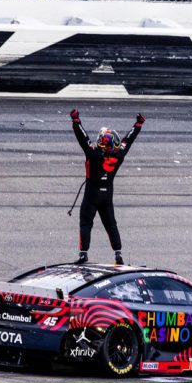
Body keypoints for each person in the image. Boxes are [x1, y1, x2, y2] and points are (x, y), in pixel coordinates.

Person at [70, 109, 144, 266]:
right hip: (107, 193)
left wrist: (76, 121)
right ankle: (118, 254)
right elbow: (128, 140)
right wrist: (138, 124)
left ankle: (83, 254)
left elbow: (82, 138)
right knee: (111, 224)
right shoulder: (119, 154)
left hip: (92, 193)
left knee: (85, 223)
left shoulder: (93, 153)